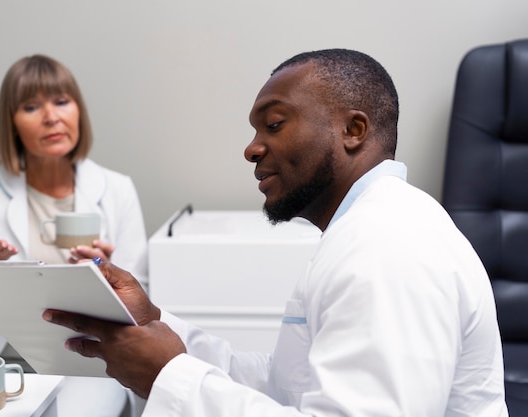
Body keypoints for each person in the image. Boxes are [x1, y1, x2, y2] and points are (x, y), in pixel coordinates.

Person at [44, 49, 508, 416]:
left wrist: (169, 376)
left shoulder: (386, 247)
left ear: (353, 129)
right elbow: (287, 387)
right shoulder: (364, 231)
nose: (251, 148)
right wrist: (155, 323)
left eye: (275, 124)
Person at [0, 54, 148, 416]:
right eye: (31, 106)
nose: (51, 117)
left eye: (62, 101)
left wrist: (106, 274)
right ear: (12, 123)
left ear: (78, 110)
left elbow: (140, 312)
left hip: (87, 364)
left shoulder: (116, 190)